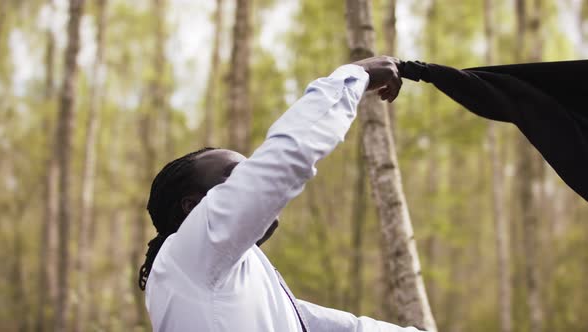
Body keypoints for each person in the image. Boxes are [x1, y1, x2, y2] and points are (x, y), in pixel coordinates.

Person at [139, 56, 423, 332]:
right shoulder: (187, 255)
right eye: (237, 176)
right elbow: (288, 156)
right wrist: (354, 75)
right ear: (193, 206)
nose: (249, 180)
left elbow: (342, 327)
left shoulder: (246, 277)